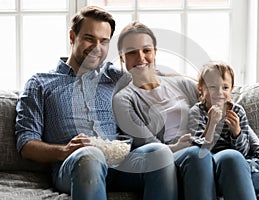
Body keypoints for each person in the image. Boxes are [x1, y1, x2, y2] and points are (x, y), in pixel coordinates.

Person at [15, 6, 178, 200]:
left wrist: (205, 85)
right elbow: (26, 143)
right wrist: (64, 151)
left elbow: (154, 78)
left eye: (104, 41)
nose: (96, 48)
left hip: (120, 166)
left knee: (159, 153)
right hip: (74, 166)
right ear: (72, 37)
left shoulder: (115, 77)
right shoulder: (41, 83)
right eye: (89, 38)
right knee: (90, 156)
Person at [113, 21, 257, 200]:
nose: (141, 57)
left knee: (232, 157)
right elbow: (148, 147)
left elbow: (228, 109)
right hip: (173, 157)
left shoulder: (182, 84)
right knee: (197, 154)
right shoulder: (124, 99)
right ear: (121, 57)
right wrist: (177, 146)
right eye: (132, 52)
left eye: (146, 50)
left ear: (155, 52)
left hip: (205, 148)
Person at [188, 61, 259, 200]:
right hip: (219, 163)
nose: (219, 93)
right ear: (201, 89)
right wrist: (211, 124)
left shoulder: (237, 111)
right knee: (251, 166)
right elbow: (200, 152)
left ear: (231, 89)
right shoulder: (197, 112)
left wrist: (237, 132)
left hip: (242, 156)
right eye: (212, 87)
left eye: (225, 87)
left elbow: (243, 151)